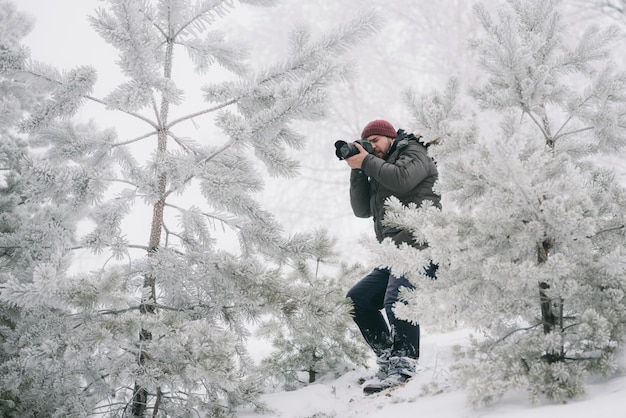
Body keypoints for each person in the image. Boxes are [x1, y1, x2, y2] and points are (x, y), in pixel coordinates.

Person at [344, 119, 441, 393]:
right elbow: (362, 210)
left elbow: (402, 179)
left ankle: (404, 365)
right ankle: (388, 358)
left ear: (390, 137)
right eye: (368, 142)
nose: (371, 146)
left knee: (397, 299)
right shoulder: (377, 167)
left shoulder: (414, 151)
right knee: (357, 300)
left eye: (376, 140)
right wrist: (356, 169)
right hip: (393, 253)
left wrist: (367, 163)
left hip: (421, 246)